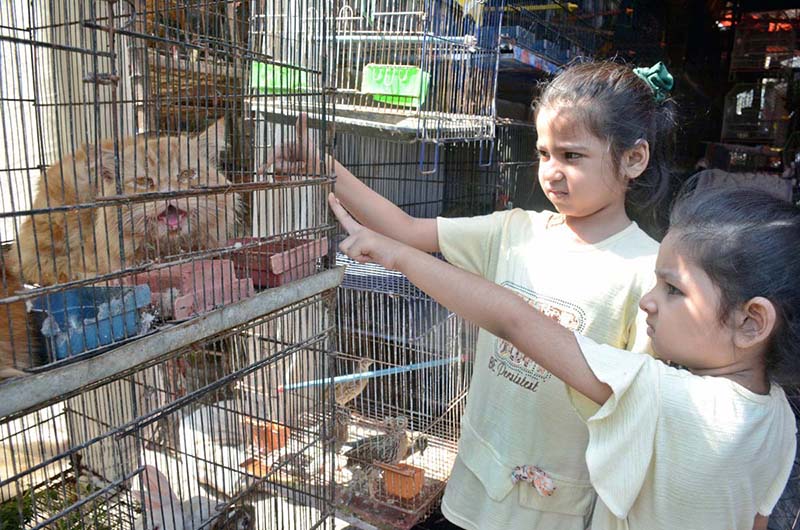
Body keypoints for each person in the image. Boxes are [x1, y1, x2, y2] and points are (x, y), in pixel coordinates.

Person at [265, 60, 676, 529]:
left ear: (634, 159)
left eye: (573, 156)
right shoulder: (515, 231)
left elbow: (636, 416)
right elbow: (404, 228)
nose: (552, 172)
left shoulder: (651, 272)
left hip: (556, 510)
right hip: (474, 489)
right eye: (544, 154)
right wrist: (324, 167)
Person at [328, 186, 798, 530]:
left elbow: (516, 321)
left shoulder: (664, 396)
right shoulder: (780, 421)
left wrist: (399, 256)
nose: (649, 301)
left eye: (673, 289)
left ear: (752, 322)